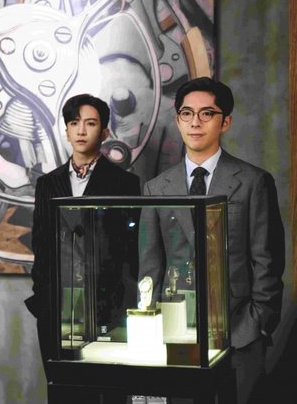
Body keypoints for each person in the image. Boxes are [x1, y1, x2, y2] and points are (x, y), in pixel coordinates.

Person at [139, 77, 285, 403]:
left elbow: (268, 260)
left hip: (240, 331)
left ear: (225, 122)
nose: (195, 122)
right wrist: (151, 328)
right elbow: (150, 267)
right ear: (178, 120)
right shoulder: (156, 188)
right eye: (187, 113)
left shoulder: (253, 182)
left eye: (207, 113)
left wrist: (259, 323)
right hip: (176, 331)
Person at [26, 94, 141, 367]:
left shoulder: (125, 183)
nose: (81, 130)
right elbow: (41, 244)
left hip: (107, 307)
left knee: (104, 385)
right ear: (66, 131)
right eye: (74, 123)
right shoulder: (47, 184)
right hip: (57, 306)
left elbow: (130, 250)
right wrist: (44, 296)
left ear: (105, 132)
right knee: (60, 383)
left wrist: (123, 304)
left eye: (90, 123)